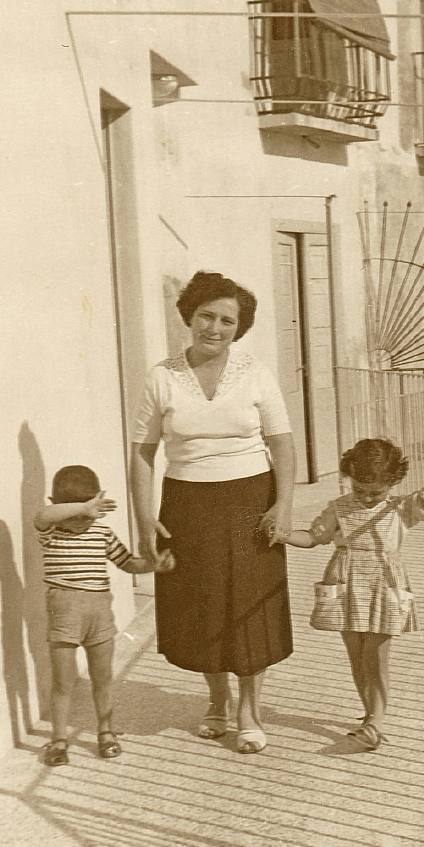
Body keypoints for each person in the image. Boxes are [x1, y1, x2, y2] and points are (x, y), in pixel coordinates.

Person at [131, 271, 295, 754]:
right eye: (207, 315)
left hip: (250, 500)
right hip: (187, 503)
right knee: (201, 604)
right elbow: (142, 452)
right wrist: (144, 518)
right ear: (190, 315)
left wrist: (283, 504)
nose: (215, 327)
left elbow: (282, 445)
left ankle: (250, 709)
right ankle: (217, 700)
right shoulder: (161, 377)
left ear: (238, 328)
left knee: (249, 604)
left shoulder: (256, 373)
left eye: (227, 320)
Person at [284, 439, 424, 751]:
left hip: (384, 581)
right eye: (359, 490)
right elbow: (314, 538)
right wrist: (282, 535)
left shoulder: (401, 509)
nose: (367, 498)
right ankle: (370, 715)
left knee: (377, 655)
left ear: (392, 483)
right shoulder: (338, 508)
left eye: (376, 492)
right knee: (356, 655)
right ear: (349, 480)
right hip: (345, 581)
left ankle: (376, 722)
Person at [35, 464, 173, 766]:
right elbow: (42, 517)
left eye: (88, 513)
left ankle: (106, 732)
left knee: (103, 678)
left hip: (99, 613)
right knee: (62, 681)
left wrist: (154, 565)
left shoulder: (100, 531)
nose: (81, 520)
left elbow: (127, 563)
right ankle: (58, 740)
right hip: (64, 613)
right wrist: (84, 506)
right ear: (57, 506)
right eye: (74, 513)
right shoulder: (51, 532)